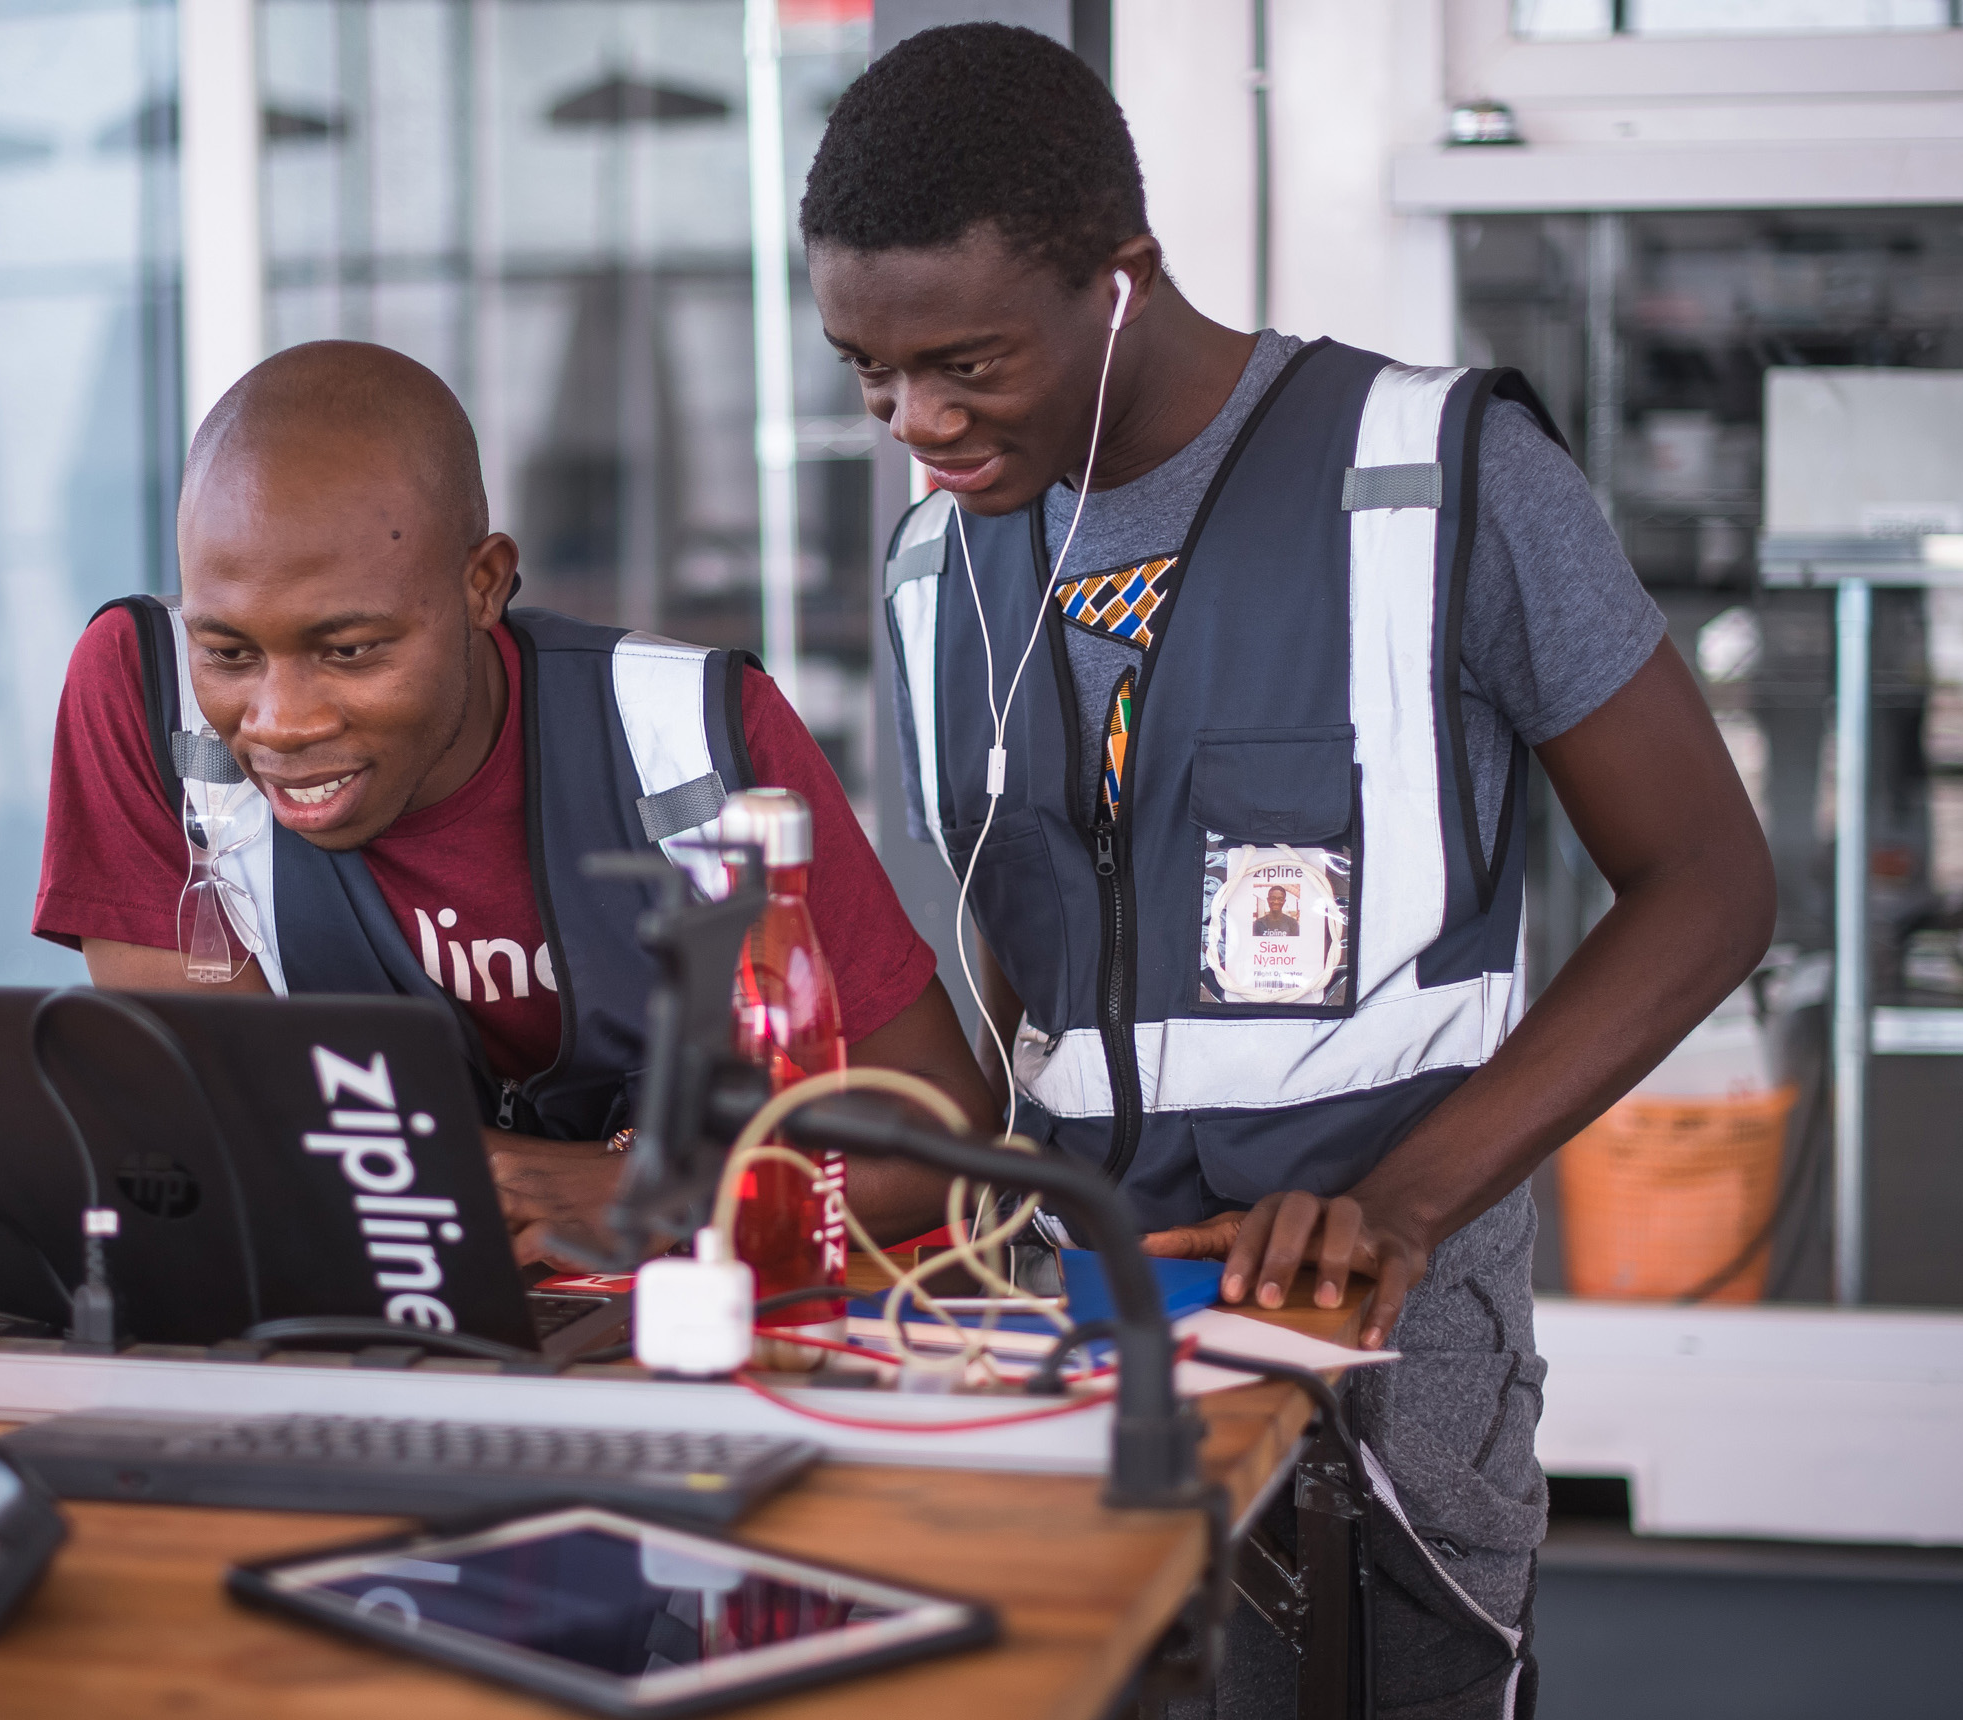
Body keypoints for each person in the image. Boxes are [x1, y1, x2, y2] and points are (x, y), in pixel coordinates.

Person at [804, 25, 1774, 1719]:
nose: (917, 424)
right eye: (867, 374)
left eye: (965, 363)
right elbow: (1033, 972)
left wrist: (1404, 1203)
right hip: (1070, 1342)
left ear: (1122, 278)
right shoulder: (929, 568)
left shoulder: (1436, 478)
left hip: (1375, 1343)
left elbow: (1708, 884)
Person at [34, 340, 995, 1266]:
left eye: (352, 650)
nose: (279, 723)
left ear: (483, 584)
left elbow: (931, 1135)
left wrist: (655, 1192)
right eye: (230, 653)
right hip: (367, 1320)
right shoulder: (143, 699)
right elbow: (239, 1131)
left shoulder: (691, 735)